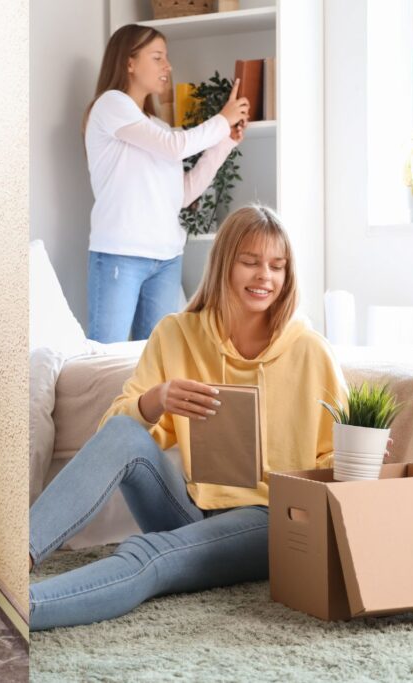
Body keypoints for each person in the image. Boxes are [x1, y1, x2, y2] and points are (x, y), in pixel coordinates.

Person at [28, 206, 347, 631]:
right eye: (250, 262)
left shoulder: (311, 351)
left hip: (268, 522)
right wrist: (156, 400)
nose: (264, 277)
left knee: (150, 555)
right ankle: (19, 554)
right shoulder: (177, 333)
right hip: (192, 507)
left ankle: (27, 608)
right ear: (223, 265)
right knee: (125, 430)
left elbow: (339, 459)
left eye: (277, 266)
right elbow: (112, 434)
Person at [85, 24, 250, 343]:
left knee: (157, 365)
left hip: (166, 258)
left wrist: (224, 142)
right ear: (129, 62)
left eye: (166, 58)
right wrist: (221, 119)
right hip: (122, 254)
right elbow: (175, 147)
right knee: (106, 361)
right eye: (158, 57)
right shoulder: (111, 105)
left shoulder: (158, 126)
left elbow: (183, 193)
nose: (168, 66)